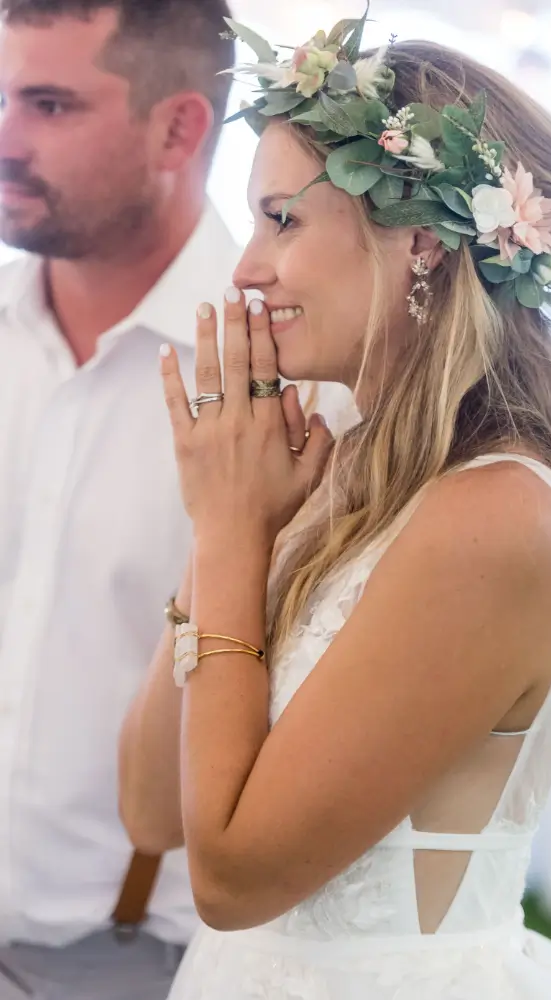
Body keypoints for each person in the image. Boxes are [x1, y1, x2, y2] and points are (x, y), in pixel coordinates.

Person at [119, 10, 551, 1000]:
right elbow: (154, 810)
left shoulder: (496, 518)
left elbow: (232, 875)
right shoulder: (337, 472)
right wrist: (224, 539)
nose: (245, 268)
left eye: (280, 218)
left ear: (417, 243)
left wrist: (232, 535)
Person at [0, 1, 241, 997]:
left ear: (178, 129)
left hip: (147, 958)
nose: (5, 139)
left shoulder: (286, 377)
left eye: (48, 104)